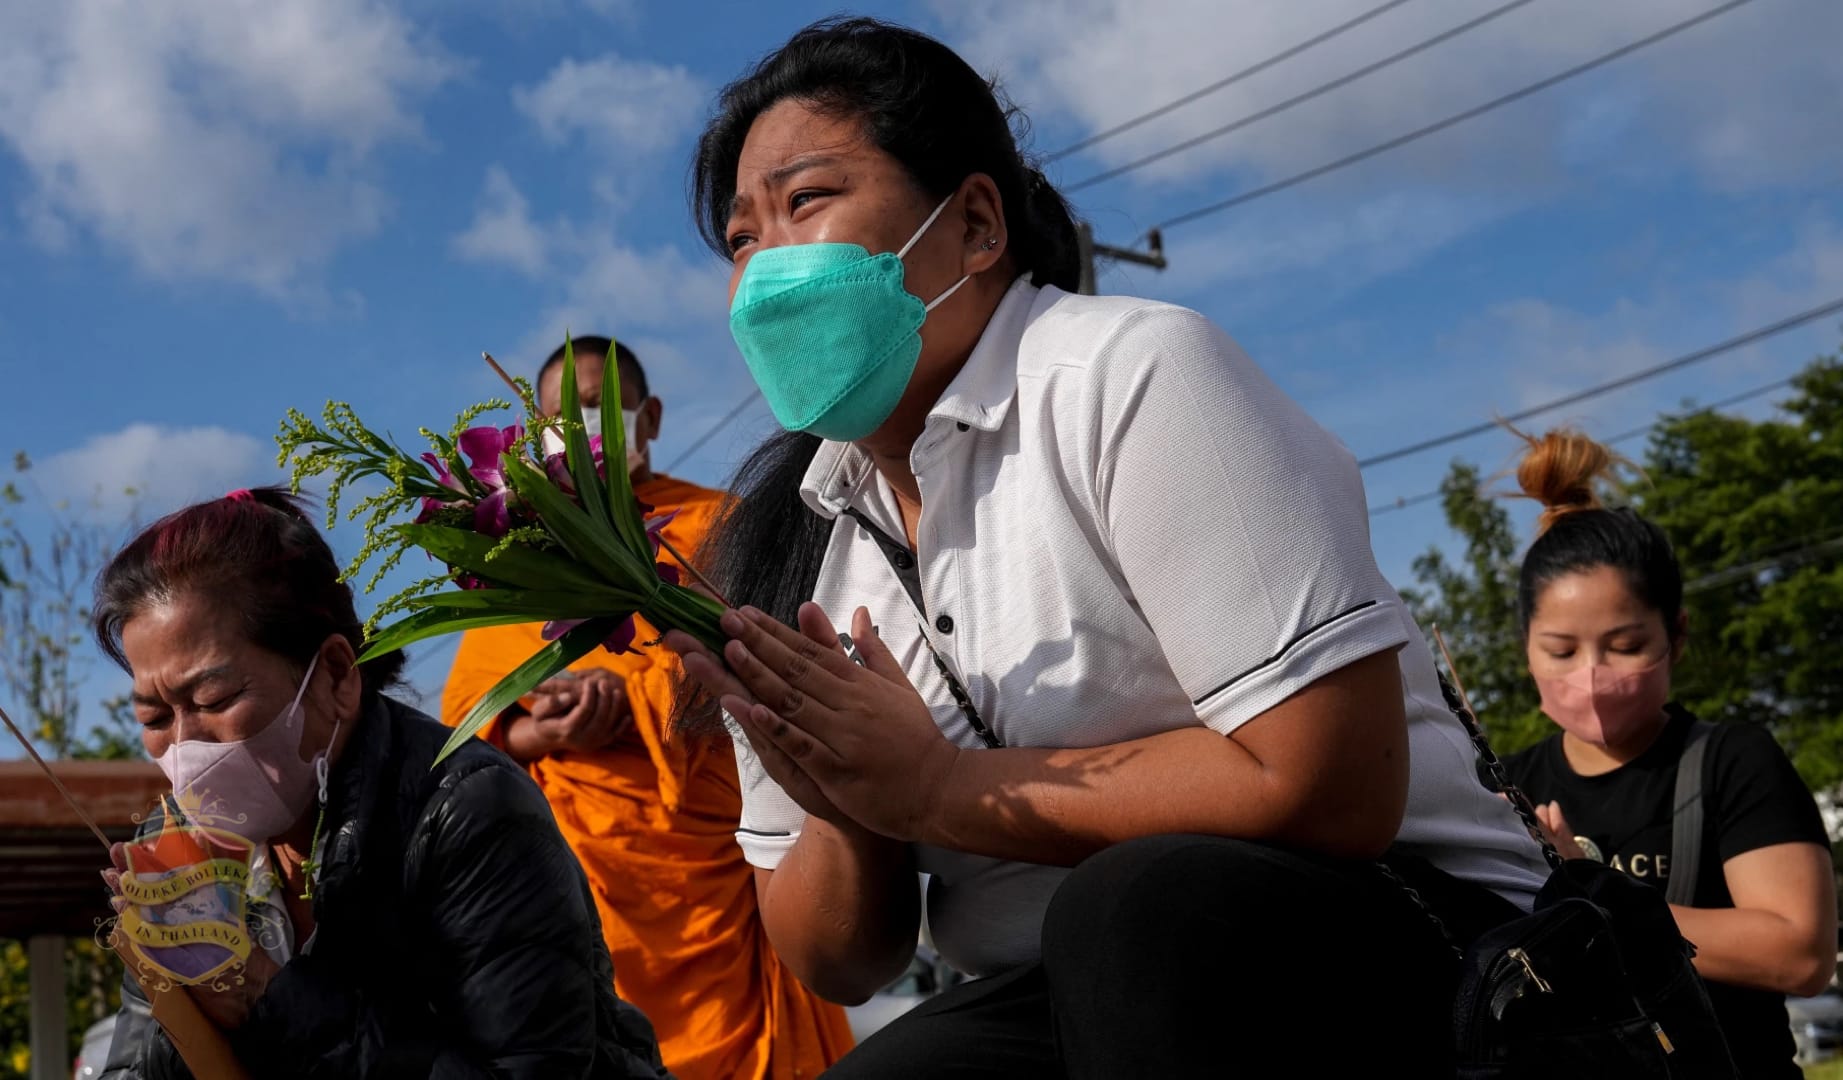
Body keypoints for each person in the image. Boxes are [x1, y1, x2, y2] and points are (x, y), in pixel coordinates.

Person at [666, 17, 1553, 1077]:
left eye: (807, 201)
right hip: (1067, 993)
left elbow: (1333, 787)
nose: (767, 270)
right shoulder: (802, 549)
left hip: (1406, 942)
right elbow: (834, 959)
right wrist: (848, 800)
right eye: (741, 238)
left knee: (1135, 908)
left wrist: (936, 791)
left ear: (977, 224)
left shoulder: (1134, 376)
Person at [92, 488, 668, 1079]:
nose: (187, 748)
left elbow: (529, 1070)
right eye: (154, 719)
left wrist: (265, 997)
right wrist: (175, 984)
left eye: (214, 698)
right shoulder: (178, 850)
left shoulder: (464, 812)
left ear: (337, 674)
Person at [441, 337, 854, 1080]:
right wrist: (539, 728)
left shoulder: (722, 524)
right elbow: (473, 726)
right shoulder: (522, 553)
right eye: (558, 414)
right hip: (580, 889)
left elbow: (779, 667)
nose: (580, 424)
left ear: (650, 414)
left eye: (596, 404)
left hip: (717, 875)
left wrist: (632, 701)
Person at [1502, 428, 1837, 1079]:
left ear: (1675, 635)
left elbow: (1799, 953)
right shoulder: (1509, 786)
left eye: (1624, 644)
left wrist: (1590, 899)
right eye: (1561, 651)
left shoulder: (1729, 760)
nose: (1592, 675)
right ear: (1525, 649)